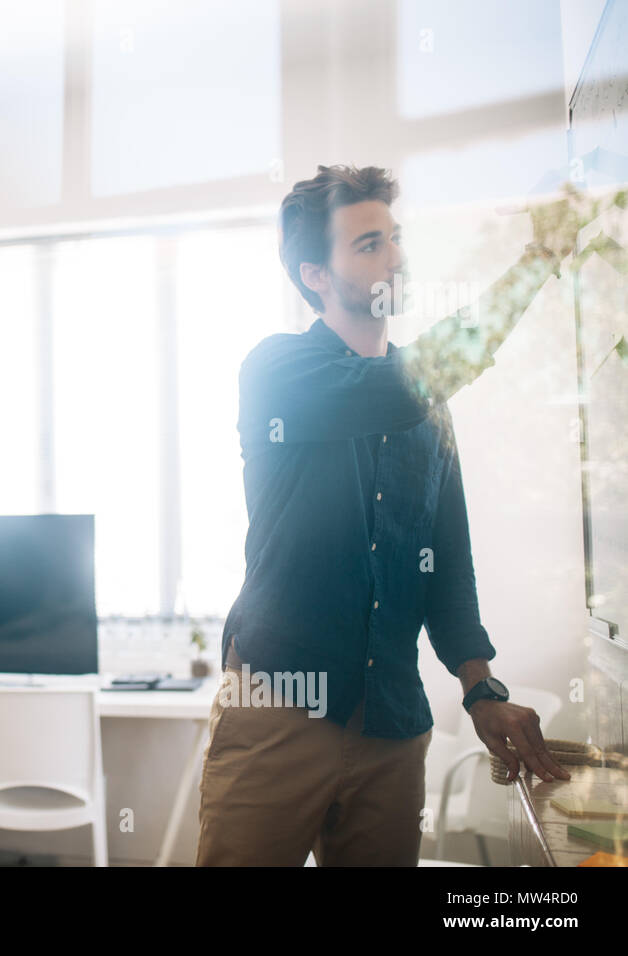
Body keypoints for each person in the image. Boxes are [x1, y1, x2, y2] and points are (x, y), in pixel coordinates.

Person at [196, 164, 592, 866]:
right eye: (370, 243)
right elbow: (404, 387)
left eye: (397, 238)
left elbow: (447, 564)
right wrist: (536, 261)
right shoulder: (279, 372)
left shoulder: (428, 407)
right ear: (316, 274)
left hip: (391, 723)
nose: (397, 258)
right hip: (280, 710)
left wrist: (481, 689)